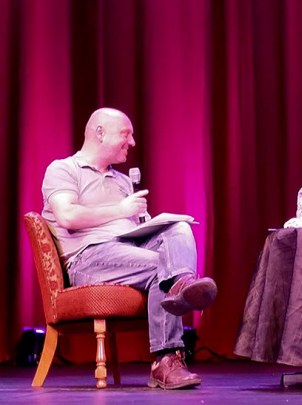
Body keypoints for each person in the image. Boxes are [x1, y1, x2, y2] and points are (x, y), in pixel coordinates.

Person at [41, 108, 217, 390]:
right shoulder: (63, 169)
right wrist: (121, 209)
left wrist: (146, 223)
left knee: (179, 228)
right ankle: (167, 358)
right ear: (100, 133)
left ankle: (181, 284)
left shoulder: (123, 181)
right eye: (126, 134)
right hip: (88, 257)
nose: (132, 142)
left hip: (126, 252)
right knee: (165, 267)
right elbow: (67, 217)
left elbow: (132, 236)